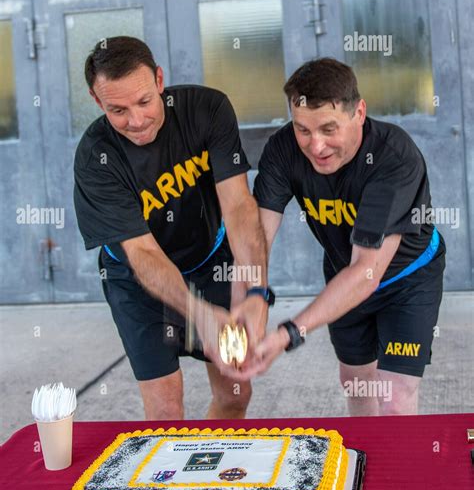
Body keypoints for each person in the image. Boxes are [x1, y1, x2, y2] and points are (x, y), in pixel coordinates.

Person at [73, 36, 274, 420]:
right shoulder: (94, 157)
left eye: (144, 101)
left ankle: (214, 477)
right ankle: (172, 480)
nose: (136, 120)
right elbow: (143, 253)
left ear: (159, 80)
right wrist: (200, 316)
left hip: (211, 263)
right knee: (165, 410)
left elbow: (238, 207)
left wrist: (254, 289)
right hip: (136, 280)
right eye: (117, 109)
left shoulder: (207, 109)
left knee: (235, 392)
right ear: (97, 102)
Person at [236, 58, 446, 416]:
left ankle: (397, 468)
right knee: (356, 381)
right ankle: (365, 463)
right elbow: (258, 238)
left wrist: (289, 332)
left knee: (395, 396)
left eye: (329, 129)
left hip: (407, 279)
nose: (315, 146)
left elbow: (367, 272)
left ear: (359, 112)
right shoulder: (283, 150)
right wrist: (252, 296)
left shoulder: (393, 159)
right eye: (303, 129)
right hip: (341, 271)